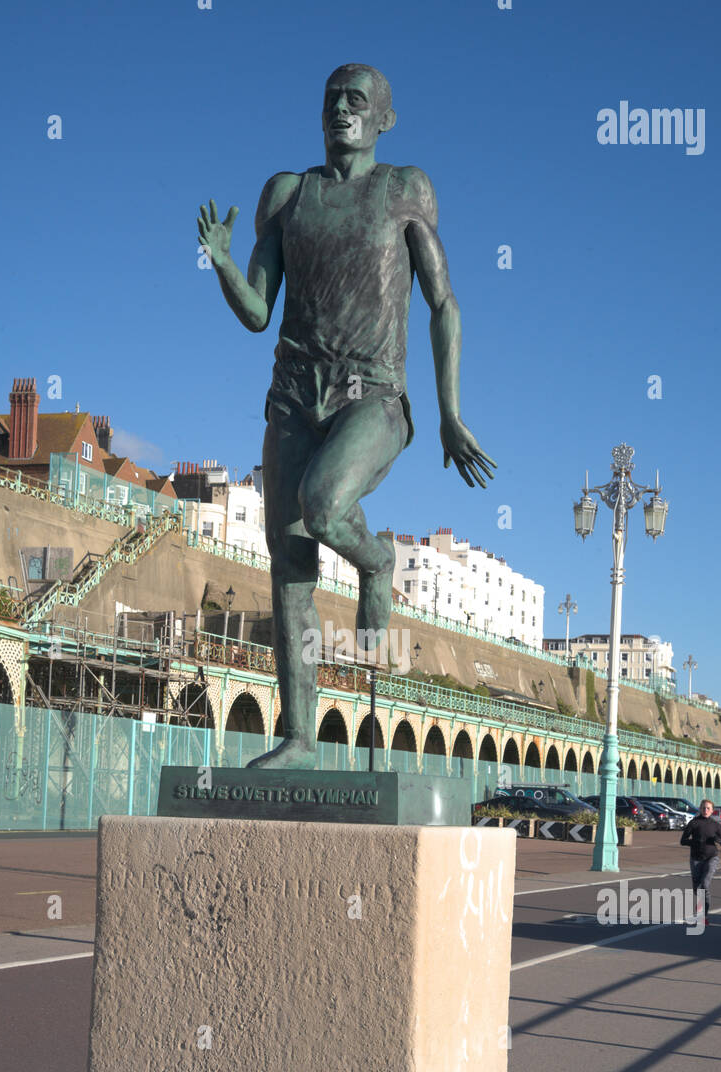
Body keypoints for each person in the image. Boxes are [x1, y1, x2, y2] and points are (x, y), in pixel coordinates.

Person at [197, 63, 496, 769]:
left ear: (384, 119)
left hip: (374, 397)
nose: (341, 111)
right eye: (331, 100)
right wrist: (222, 264)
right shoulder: (288, 194)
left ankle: (377, 559)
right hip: (294, 396)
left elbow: (443, 303)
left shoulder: (402, 189)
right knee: (289, 567)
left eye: (356, 102)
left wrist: (450, 412)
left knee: (326, 505)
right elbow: (257, 312)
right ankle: (299, 737)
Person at [680, 798, 721, 927]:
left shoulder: (715, 825)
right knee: (697, 888)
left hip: (711, 858)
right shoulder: (694, 823)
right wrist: (694, 842)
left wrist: (717, 839)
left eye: (708, 808)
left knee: (705, 884)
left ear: (712, 811)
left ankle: (703, 916)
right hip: (695, 858)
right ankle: (700, 905)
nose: (705, 810)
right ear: (700, 809)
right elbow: (683, 840)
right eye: (703, 808)